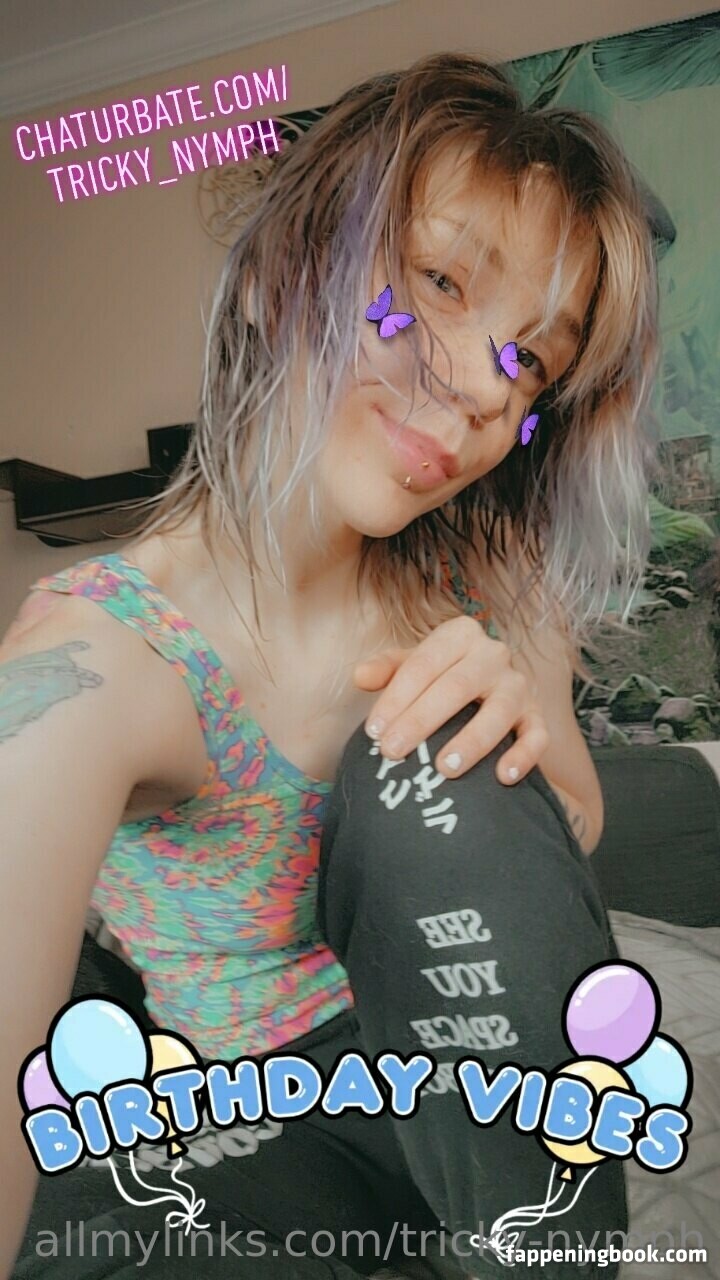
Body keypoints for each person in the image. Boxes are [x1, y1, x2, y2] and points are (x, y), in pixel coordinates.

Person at [1, 52, 658, 1280]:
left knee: (437, 771)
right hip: (268, 1138)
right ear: (272, 276)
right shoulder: (98, 662)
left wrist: (519, 742)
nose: (482, 386)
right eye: (442, 282)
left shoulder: (494, 572)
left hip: (495, 1113)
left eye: (531, 359)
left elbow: (575, 830)